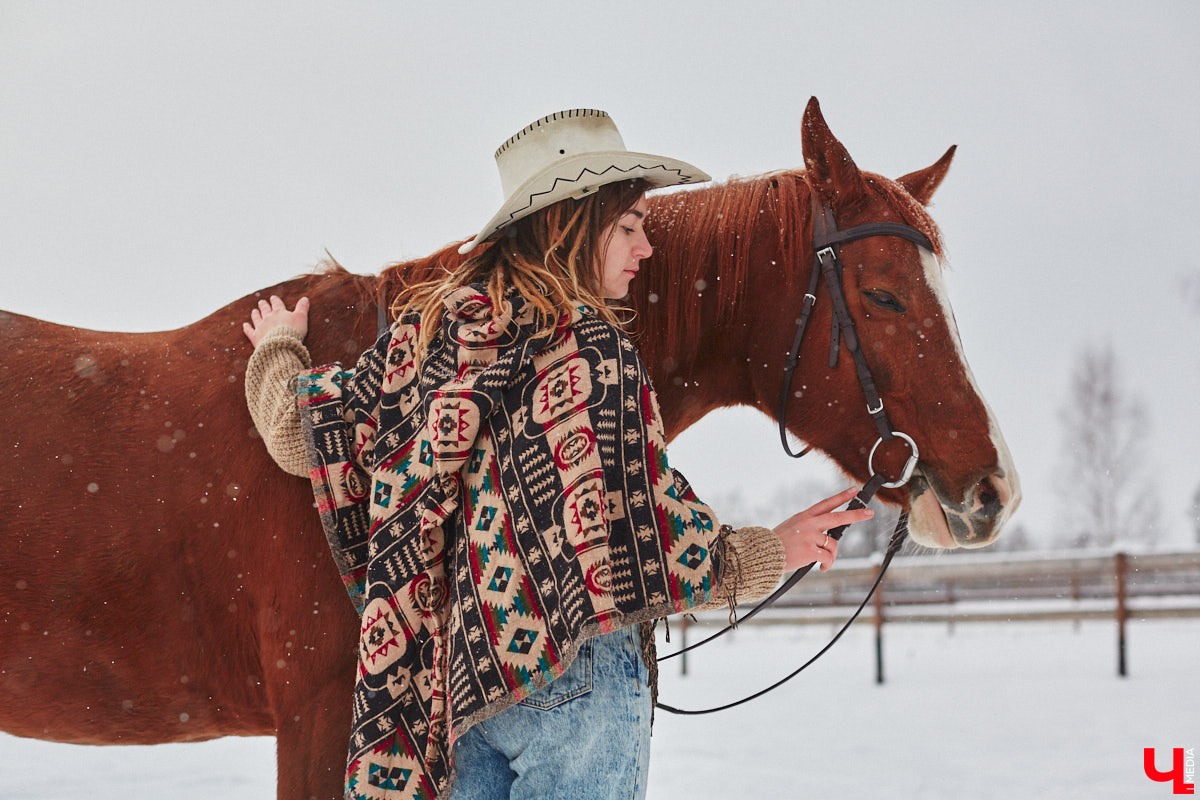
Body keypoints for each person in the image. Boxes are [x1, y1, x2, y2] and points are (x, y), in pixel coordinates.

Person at [243, 109, 871, 800]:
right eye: (628, 226)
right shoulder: (594, 355)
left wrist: (276, 345)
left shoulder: (429, 346)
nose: (646, 248)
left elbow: (300, 433)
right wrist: (777, 549)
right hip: (582, 672)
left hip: (467, 690)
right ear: (571, 225)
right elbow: (654, 534)